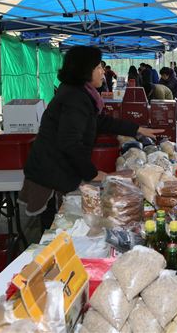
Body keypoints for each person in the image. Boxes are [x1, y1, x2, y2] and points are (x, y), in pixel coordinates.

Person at [18, 46, 163, 231]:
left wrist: (136, 129)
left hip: (55, 169)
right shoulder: (75, 97)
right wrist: (92, 173)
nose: (103, 71)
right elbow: (69, 143)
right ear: (84, 71)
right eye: (98, 67)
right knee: (57, 230)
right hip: (51, 174)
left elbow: (99, 121)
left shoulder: (80, 93)